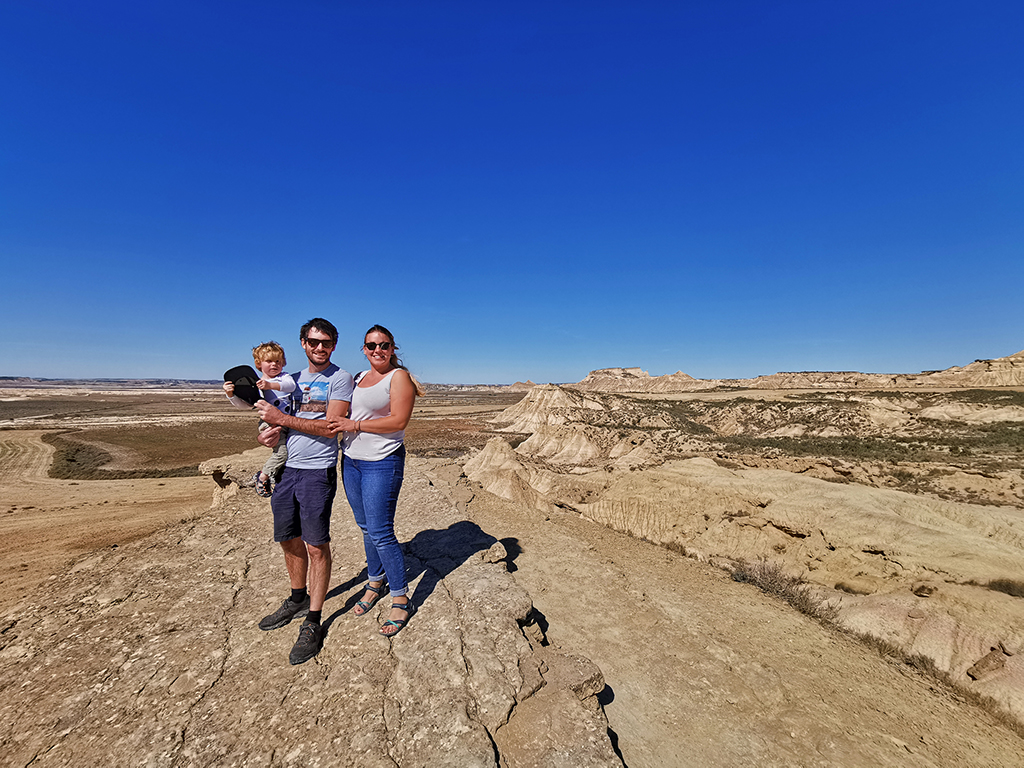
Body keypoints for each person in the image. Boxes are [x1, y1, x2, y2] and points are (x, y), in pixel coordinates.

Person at [254, 318, 354, 665]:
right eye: (313, 342)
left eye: (326, 342)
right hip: (289, 469)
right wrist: (266, 433)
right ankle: (297, 597)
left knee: (315, 544)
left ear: (334, 345)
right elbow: (272, 418)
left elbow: (330, 428)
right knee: (288, 538)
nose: (320, 348)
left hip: (317, 472)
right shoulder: (290, 381)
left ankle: (313, 619)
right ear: (303, 343)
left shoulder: (339, 379)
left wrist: (281, 421)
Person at [330, 324, 425, 637]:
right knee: (366, 527)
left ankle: (400, 598)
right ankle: (375, 582)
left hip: (382, 463)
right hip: (352, 461)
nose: (377, 351)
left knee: (382, 532)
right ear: (363, 349)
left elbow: (398, 421)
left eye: (384, 345)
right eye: (371, 346)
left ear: (393, 348)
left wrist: (354, 425)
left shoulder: (398, 378)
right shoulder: (358, 378)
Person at [223, 341, 296, 497]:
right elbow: (246, 405)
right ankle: (263, 476)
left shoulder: (284, 378)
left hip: (287, 422)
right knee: (282, 453)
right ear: (259, 364)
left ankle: (279, 477)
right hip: (270, 424)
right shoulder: (255, 384)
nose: (274, 365)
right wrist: (231, 395)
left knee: (291, 449)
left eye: (278, 361)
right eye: (269, 361)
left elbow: (291, 386)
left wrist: (270, 386)